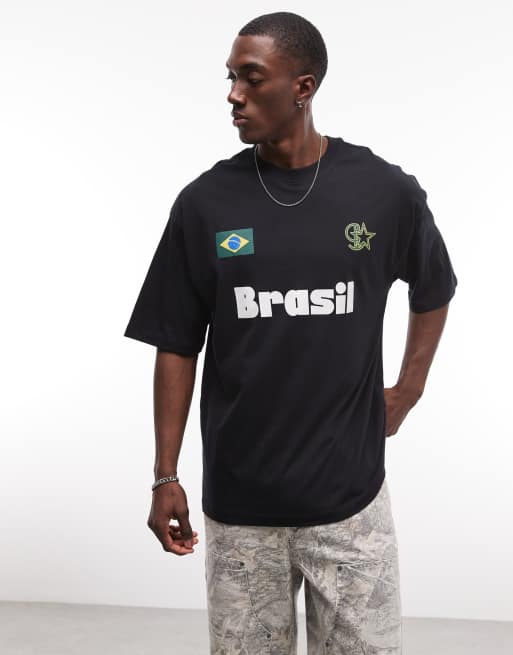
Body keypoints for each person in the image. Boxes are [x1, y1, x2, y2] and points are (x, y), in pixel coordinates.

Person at [123, 11, 458, 655]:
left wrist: (408, 389)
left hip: (351, 505)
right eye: (230, 78)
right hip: (241, 509)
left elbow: (434, 287)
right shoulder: (205, 204)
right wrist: (165, 475)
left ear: (303, 87)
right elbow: (176, 342)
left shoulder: (383, 192)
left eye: (251, 79)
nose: (233, 95)